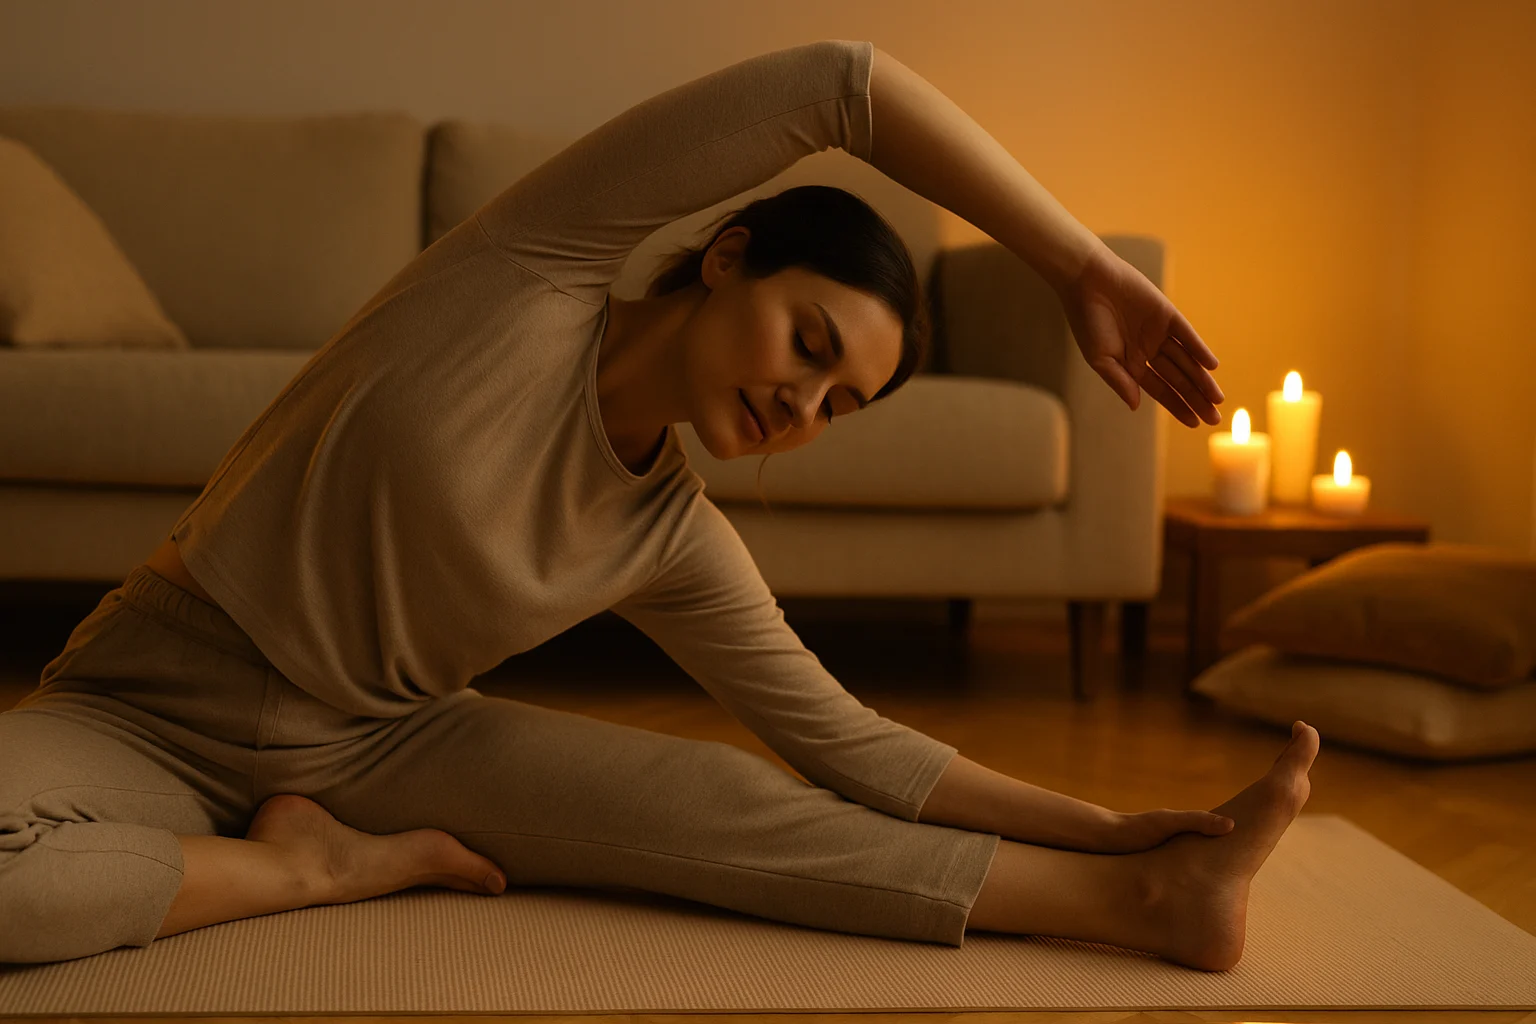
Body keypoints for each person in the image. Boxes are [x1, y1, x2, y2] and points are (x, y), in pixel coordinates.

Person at [0, 40, 1317, 972]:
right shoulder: (530, 269)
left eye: (840, 406)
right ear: (728, 257)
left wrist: (1105, 825)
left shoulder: (674, 537)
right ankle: (311, 870)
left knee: (724, 811)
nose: (804, 411)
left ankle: (1148, 899)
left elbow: (856, 751)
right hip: (149, 705)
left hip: (380, 750)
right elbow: (837, 84)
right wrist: (1074, 260)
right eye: (808, 347)